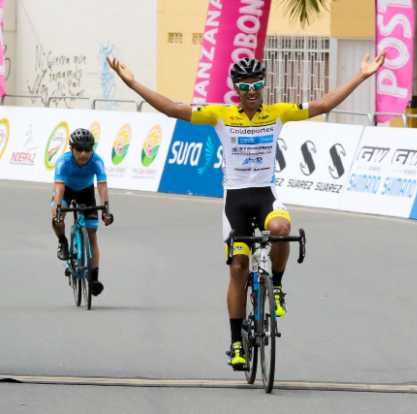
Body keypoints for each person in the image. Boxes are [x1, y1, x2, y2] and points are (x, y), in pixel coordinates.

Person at [107, 53, 385, 369]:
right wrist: (132, 83)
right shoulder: (220, 115)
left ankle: (276, 285)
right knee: (238, 267)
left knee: (281, 231)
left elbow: (323, 105)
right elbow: (172, 108)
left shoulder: (278, 113)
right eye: (244, 85)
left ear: (263, 85)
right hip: (235, 201)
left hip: (266, 194)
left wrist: (362, 75)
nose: (251, 90)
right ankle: (237, 342)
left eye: (256, 84)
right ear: (236, 88)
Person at [51, 129, 114, 296]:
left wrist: (106, 209)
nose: (84, 153)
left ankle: (93, 280)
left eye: (88, 149)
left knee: (92, 234)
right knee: (57, 218)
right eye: (79, 149)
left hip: (86, 192)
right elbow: (59, 188)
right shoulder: (63, 162)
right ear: (71, 148)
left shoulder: (97, 161)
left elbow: (101, 186)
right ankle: (63, 241)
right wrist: (58, 210)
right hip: (66, 191)